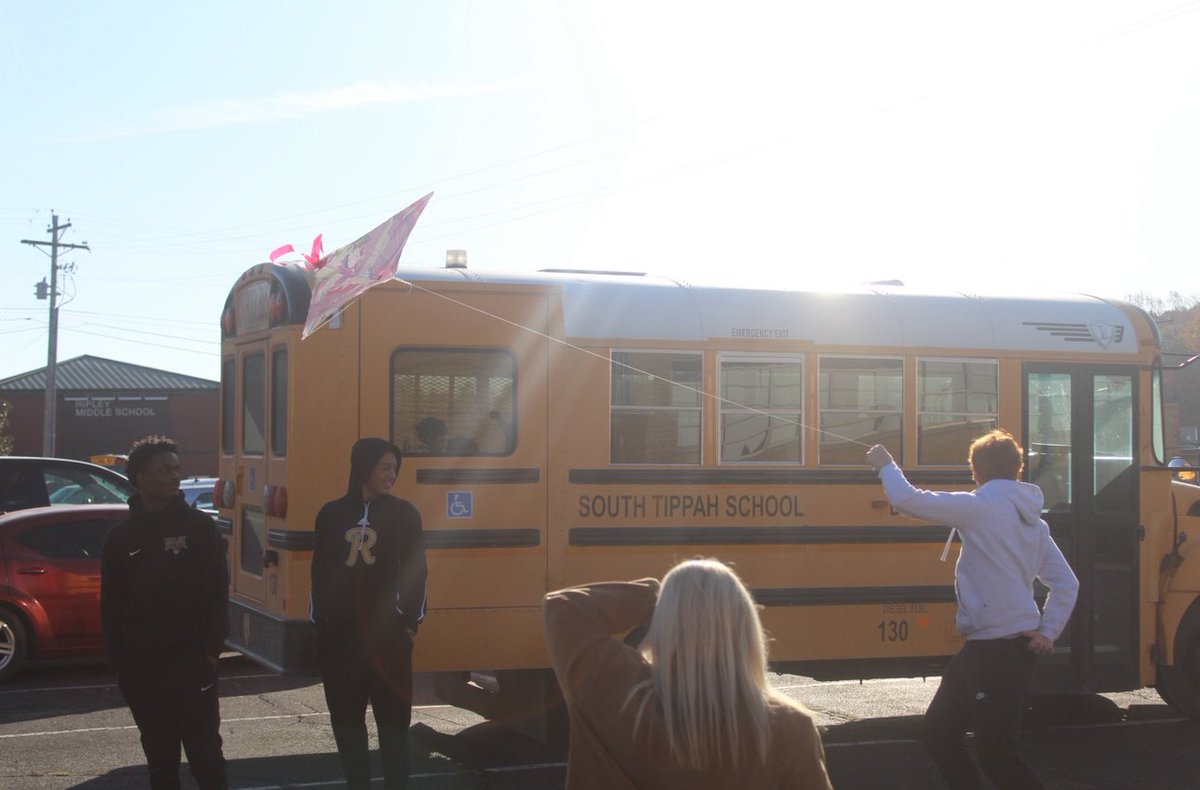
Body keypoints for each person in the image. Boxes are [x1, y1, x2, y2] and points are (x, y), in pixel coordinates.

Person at [866, 429, 1079, 790]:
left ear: (975, 469)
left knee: (994, 753)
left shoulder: (980, 507)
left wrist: (886, 465)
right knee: (941, 733)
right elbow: (1066, 583)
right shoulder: (1035, 523)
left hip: (998, 648)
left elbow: (907, 500)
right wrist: (1047, 631)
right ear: (1018, 467)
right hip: (993, 645)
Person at [543, 558, 833, 790]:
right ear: (746, 628)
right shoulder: (789, 728)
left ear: (665, 624)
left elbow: (565, 607)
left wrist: (660, 599)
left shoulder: (617, 692)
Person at [100, 436, 229, 790]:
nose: (175, 476)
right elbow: (111, 606)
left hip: (192, 665)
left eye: (177, 469)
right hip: (142, 671)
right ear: (140, 477)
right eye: (165, 470)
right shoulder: (121, 538)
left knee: (207, 760)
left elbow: (217, 594)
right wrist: (120, 664)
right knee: (161, 764)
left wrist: (210, 652)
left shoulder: (200, 528)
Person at [311, 437, 428, 790]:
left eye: (395, 468)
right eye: (385, 468)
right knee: (347, 724)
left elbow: (416, 571)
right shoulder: (330, 515)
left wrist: (409, 624)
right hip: (341, 642)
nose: (392, 475)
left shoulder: (404, 513)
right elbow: (319, 574)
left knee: (393, 726)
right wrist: (322, 625)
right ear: (364, 468)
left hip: (388, 641)